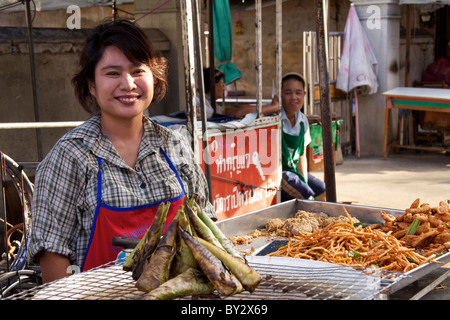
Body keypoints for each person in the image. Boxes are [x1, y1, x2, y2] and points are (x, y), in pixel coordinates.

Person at [27, 19, 216, 283]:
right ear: (91, 85)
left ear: (154, 77)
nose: (128, 84)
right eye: (112, 73)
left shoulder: (175, 144)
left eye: (138, 71)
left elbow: (205, 224)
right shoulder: (70, 156)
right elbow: (53, 256)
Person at [278, 72, 326, 202]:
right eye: (288, 93)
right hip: (279, 174)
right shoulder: (274, 118)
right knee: (306, 195)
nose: (294, 97)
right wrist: (272, 105)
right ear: (280, 94)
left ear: (304, 95)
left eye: (298, 93)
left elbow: (302, 156)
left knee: (323, 190)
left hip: (293, 171)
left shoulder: (302, 120)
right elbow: (242, 112)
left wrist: (304, 180)